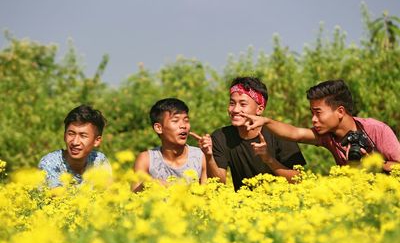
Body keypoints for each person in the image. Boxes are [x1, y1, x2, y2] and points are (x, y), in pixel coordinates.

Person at [242, 79, 400, 172]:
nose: (314, 119)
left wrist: (374, 162)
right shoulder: (327, 136)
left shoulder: (376, 130)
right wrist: (265, 121)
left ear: (340, 111)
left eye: (318, 112)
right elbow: (295, 133)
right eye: (312, 113)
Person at [191, 77, 306, 191]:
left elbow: (299, 180)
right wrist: (209, 157)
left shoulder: (279, 133)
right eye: (232, 103)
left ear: (259, 109)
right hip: (244, 206)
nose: (235, 110)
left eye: (243, 104)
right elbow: (218, 185)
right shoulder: (221, 137)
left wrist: (269, 159)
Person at [132, 98, 207, 192]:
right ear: (159, 128)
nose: (183, 126)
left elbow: (208, 197)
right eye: (175, 121)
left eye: (186, 120)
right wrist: (149, 183)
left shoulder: (201, 156)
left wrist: (210, 156)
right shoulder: (146, 159)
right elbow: (134, 197)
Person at [38, 105, 111, 188]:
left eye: (83, 136)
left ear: (96, 141)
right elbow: (55, 198)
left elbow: (108, 195)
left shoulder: (99, 161)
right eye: (71, 134)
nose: (75, 142)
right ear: (64, 136)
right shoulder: (50, 163)